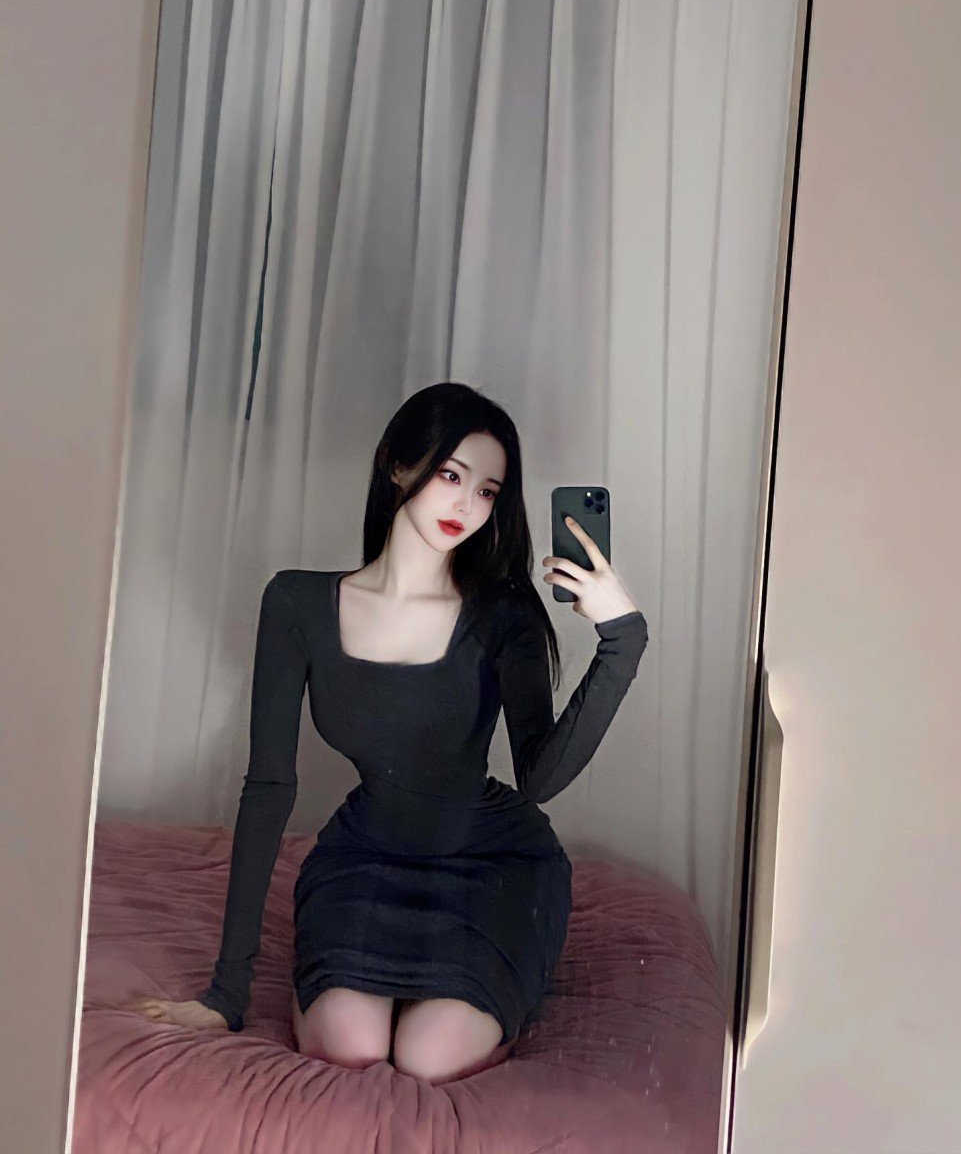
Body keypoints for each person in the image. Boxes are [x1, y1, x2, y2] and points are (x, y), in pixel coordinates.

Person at [133, 381, 649, 1084]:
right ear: (397, 466)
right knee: (347, 1048)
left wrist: (621, 640)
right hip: (364, 861)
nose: (467, 506)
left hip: (490, 865)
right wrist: (226, 994)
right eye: (451, 476)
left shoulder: (503, 615)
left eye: (488, 491)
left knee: (429, 1056)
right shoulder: (296, 603)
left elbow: (540, 778)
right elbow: (269, 787)